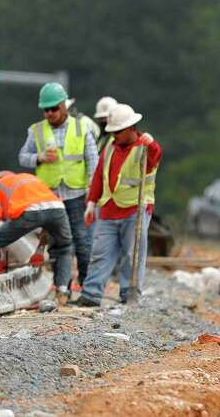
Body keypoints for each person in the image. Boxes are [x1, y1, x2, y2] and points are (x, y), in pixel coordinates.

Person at [74, 104, 162, 307]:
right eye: (112, 132)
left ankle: (129, 293)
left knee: (132, 254)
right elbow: (98, 176)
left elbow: (156, 157)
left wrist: (152, 145)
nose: (114, 135)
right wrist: (91, 203)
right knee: (100, 253)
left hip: (136, 209)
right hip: (109, 210)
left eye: (118, 132)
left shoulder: (144, 147)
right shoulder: (110, 147)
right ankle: (91, 294)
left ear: (131, 128)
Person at [19, 82, 98, 287]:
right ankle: (62, 285)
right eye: (46, 110)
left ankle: (86, 284)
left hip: (76, 194)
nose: (50, 113)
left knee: (81, 241)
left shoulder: (81, 127)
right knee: (56, 243)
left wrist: (93, 190)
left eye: (54, 108)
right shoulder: (36, 131)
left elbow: (93, 160)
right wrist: (39, 157)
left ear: (64, 105)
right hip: (49, 198)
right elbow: (22, 157)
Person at [0, 171, 74, 304]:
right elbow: (46, 215)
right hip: (58, 210)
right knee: (64, 248)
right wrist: (40, 248)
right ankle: (63, 291)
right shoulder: (30, 178)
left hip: (29, 212)